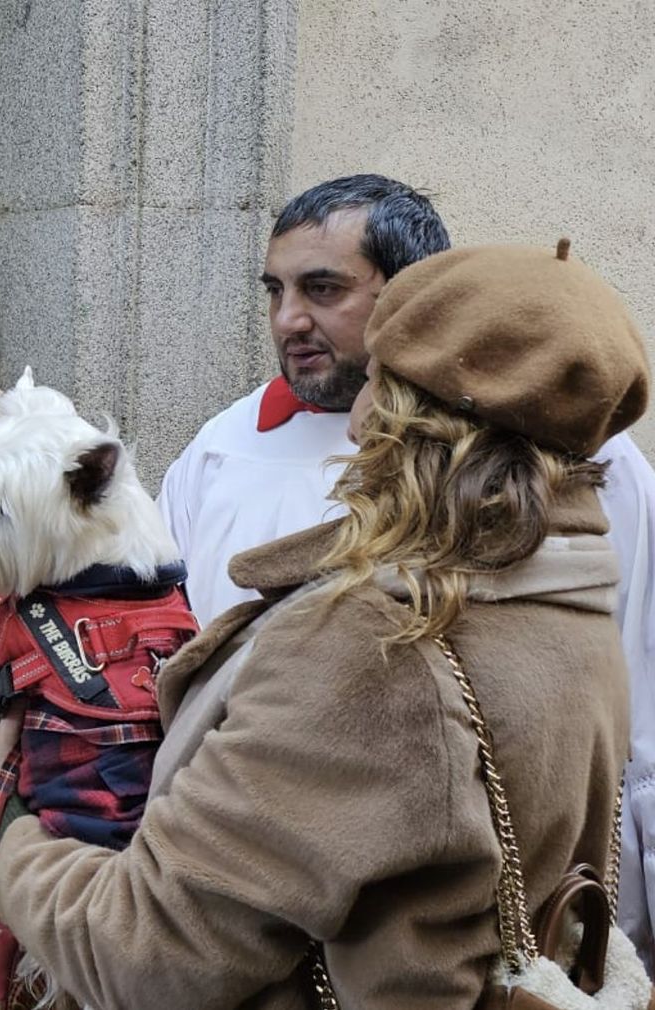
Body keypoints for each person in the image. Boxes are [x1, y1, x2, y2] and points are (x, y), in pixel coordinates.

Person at [0, 242, 649, 1007]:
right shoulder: (570, 595)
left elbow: (144, 952)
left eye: (374, 379)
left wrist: (11, 830)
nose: (358, 415)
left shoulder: (377, 644)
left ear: (408, 415)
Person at [156, 174, 655, 956]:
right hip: (264, 899)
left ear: (414, 297)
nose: (290, 320)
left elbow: (635, 689)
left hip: (508, 897)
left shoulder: (564, 456)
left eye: (323, 289)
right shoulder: (218, 453)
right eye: (275, 290)